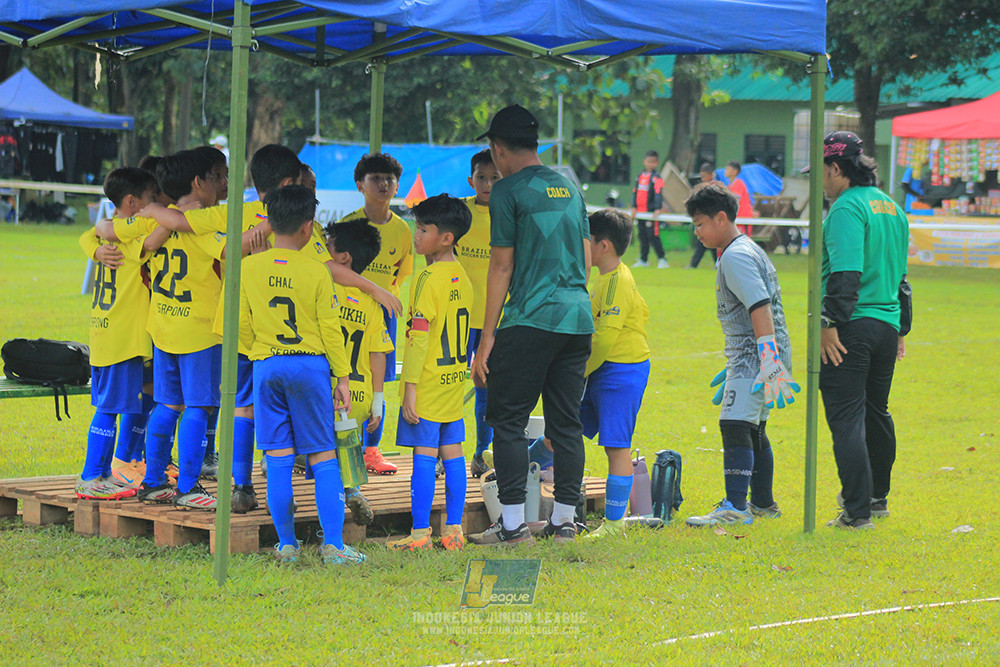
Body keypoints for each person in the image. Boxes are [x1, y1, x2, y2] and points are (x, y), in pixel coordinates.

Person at [469, 104, 593, 546]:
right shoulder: (571, 187)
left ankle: (513, 524)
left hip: (529, 320)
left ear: (497, 148)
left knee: (507, 422)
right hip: (577, 319)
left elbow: (501, 266)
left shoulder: (507, 191)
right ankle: (563, 522)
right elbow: (588, 255)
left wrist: (487, 339)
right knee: (566, 425)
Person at [238, 184, 364, 564]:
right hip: (310, 366)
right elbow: (331, 329)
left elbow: (241, 326)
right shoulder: (317, 271)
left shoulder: (248, 267)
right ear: (309, 227)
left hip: (267, 364)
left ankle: (288, 546)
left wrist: (261, 353)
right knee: (324, 456)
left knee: (277, 458)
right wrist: (342, 378)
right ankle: (334, 547)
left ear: (269, 222)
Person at [809, 131, 911, 530]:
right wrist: (901, 327)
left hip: (851, 326)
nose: (820, 181)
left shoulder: (846, 209)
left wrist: (829, 323)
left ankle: (856, 511)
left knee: (846, 417)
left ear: (836, 169)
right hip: (886, 326)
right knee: (875, 413)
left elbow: (847, 272)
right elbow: (902, 279)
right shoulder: (892, 207)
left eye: (821, 172)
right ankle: (876, 497)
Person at [528, 209, 651, 538]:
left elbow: (605, 339)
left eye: (587, 241)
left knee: (616, 447)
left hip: (620, 372)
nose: (583, 247)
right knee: (562, 430)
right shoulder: (604, 277)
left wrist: (574, 373)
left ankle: (614, 523)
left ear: (604, 245)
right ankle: (519, 465)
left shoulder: (617, 283)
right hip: (599, 370)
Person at [683, 182, 799, 527]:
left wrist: (767, 361)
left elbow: (760, 306)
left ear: (721, 218)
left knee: (734, 425)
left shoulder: (735, 255)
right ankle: (763, 503)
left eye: (700, 224)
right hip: (755, 355)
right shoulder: (746, 248)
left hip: (757, 356)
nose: (697, 232)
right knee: (753, 428)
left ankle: (735, 506)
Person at [133, 149, 227, 509]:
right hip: (199, 332)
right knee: (199, 407)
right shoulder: (206, 227)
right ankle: (188, 487)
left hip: (164, 326)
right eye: (218, 176)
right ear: (197, 182)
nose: (224, 184)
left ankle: (153, 481)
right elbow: (236, 255)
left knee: (168, 403)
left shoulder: (158, 225)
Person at [74, 167, 168, 500]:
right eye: (150, 200)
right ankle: (91, 475)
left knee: (122, 401)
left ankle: (109, 469)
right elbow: (158, 233)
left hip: (106, 332)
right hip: (122, 337)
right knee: (110, 407)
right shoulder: (129, 235)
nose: (154, 206)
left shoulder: (105, 235)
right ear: (131, 202)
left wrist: (94, 246)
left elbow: (89, 234)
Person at [387, 194, 473, 552]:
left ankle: (420, 533)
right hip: (455, 379)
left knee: (423, 457)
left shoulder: (427, 278)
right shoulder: (463, 276)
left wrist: (410, 389)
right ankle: (453, 531)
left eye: (423, 229)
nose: (416, 235)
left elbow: (418, 340)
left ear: (446, 237)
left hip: (429, 383)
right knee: (453, 454)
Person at [338, 153, 414, 475]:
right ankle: (338, 447)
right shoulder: (347, 225)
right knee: (343, 378)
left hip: (384, 314)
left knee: (377, 382)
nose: (383, 184)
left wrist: (382, 300)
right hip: (344, 314)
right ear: (360, 185)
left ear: (397, 186)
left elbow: (400, 275)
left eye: (389, 179)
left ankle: (371, 450)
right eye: (375, 179)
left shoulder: (403, 231)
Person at [324, 219, 394, 526]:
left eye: (329, 246)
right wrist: (378, 400)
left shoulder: (323, 287)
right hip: (361, 393)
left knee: (316, 447)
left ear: (343, 259)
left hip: (327, 387)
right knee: (347, 443)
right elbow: (378, 354)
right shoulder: (371, 303)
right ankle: (351, 489)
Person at [457, 149, 502, 478]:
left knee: (486, 388)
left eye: (494, 178)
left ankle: (481, 454)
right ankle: (443, 453)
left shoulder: (508, 214)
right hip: (456, 318)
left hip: (493, 321)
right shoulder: (458, 212)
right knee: (444, 384)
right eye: (482, 178)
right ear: (471, 180)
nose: (487, 184)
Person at [630, 149, 669, 269]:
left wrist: (657, 208)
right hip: (640, 212)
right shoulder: (640, 176)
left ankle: (662, 259)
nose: (650, 164)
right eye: (648, 161)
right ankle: (643, 259)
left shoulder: (657, 178)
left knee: (653, 235)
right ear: (644, 162)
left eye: (653, 162)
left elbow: (658, 193)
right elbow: (635, 192)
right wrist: (634, 207)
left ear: (656, 163)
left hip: (651, 213)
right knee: (642, 236)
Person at [685, 163, 719, 269]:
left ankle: (696, 264)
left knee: (711, 243)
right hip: (704, 220)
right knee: (702, 242)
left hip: (712, 219)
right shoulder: (704, 187)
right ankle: (694, 264)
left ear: (711, 175)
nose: (702, 178)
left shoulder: (716, 187)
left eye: (704, 176)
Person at [724, 161, 755, 236]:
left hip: (743, 219)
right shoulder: (729, 186)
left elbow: (734, 201)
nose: (725, 171)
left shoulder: (739, 183)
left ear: (734, 172)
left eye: (728, 169)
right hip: (735, 219)